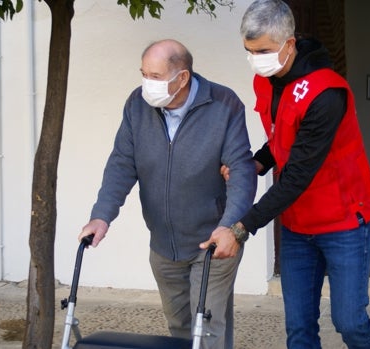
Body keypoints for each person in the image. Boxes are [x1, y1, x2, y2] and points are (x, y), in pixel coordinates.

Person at [200, 1, 370, 348]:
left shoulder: (327, 93)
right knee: (298, 329)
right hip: (298, 225)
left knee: (350, 322)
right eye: (249, 51)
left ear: (290, 43)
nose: (256, 59)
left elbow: (298, 174)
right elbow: (281, 137)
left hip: (344, 222)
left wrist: (239, 230)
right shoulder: (265, 80)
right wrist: (258, 162)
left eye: (263, 50)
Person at [78, 39, 257, 349]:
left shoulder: (223, 104)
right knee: (179, 327)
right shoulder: (137, 104)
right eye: (144, 74)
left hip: (211, 241)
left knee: (208, 326)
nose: (148, 84)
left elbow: (241, 170)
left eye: (156, 76)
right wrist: (101, 216)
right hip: (163, 244)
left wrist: (229, 227)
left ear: (183, 77)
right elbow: (122, 163)